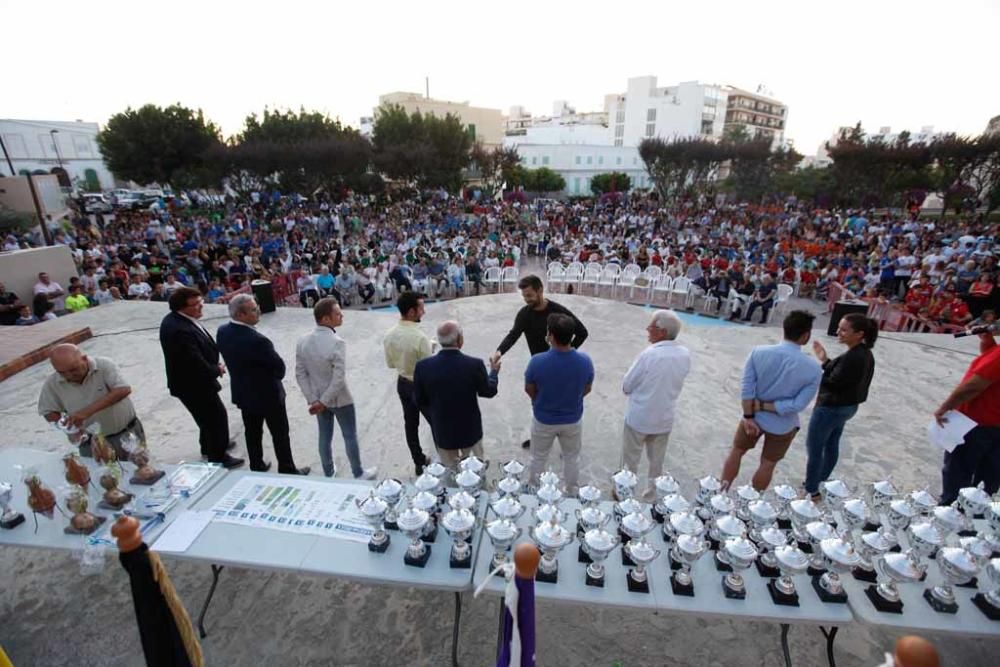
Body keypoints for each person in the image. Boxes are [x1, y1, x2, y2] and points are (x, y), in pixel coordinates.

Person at [720, 310, 822, 491]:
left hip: (753, 417)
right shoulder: (813, 368)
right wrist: (767, 407)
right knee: (767, 465)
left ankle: (721, 493)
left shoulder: (758, 352)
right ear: (806, 336)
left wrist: (750, 415)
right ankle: (753, 504)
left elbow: (747, 389)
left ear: (784, 328)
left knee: (736, 452)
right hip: (783, 424)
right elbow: (798, 405)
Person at [783, 314, 877, 500]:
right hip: (847, 407)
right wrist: (825, 360)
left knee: (816, 448)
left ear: (859, 334)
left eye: (843, 330)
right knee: (831, 444)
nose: (838, 332)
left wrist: (813, 371)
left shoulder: (853, 357)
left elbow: (834, 381)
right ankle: (819, 480)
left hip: (831, 407)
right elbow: (842, 376)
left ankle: (811, 489)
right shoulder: (863, 353)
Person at [216, 294, 309, 475]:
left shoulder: (223, 331)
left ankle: (256, 464)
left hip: (244, 393)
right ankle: (287, 467)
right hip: (268, 396)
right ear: (241, 315)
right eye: (253, 309)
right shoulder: (258, 341)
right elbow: (279, 368)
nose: (258, 310)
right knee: (280, 434)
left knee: (252, 432)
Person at [493, 274, 588, 448]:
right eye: (524, 296)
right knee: (538, 402)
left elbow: (582, 332)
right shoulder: (524, 314)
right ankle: (541, 435)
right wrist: (500, 351)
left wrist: (567, 352)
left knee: (564, 401)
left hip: (561, 367)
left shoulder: (558, 311)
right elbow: (513, 335)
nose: (526, 299)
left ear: (540, 290)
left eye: (529, 295)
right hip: (540, 368)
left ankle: (566, 438)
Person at [159, 287, 244, 468]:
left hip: (194, 382)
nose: (200, 307)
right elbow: (193, 362)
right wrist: (216, 369)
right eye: (195, 304)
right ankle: (218, 455)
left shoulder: (184, 320)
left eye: (200, 302)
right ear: (181, 307)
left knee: (205, 419)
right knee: (215, 417)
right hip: (194, 384)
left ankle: (210, 445)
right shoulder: (179, 330)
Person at [295, 298, 377, 479]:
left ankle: (329, 472)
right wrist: (324, 401)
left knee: (324, 436)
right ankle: (358, 472)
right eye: (337, 313)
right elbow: (338, 378)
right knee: (349, 435)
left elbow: (300, 373)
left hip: (317, 399)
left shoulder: (303, 341)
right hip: (339, 399)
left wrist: (314, 400)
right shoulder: (337, 342)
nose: (342, 316)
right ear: (325, 319)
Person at [620, 310, 691, 501]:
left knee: (630, 460)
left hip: (640, 416)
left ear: (661, 332)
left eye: (651, 327)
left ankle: (625, 494)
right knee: (656, 461)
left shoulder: (649, 355)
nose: (648, 330)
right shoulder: (684, 354)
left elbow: (627, 385)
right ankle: (652, 495)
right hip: (664, 417)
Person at [413, 321, 500, 475]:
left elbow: (419, 400)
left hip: (443, 432)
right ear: (460, 340)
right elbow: (488, 391)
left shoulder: (423, 367)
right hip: (470, 431)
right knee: (475, 472)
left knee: (450, 474)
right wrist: (493, 372)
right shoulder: (474, 365)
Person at [524, 313, 595, 494]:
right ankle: (571, 490)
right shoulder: (585, 361)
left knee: (538, 458)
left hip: (544, 419)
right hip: (572, 419)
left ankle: (534, 489)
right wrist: (572, 399)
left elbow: (529, 388)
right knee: (572, 457)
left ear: (551, 336)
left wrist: (538, 401)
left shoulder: (537, 361)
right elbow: (587, 388)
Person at [37, 343, 145, 459]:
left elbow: (123, 389)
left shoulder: (103, 365)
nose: (69, 376)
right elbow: (47, 411)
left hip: (127, 434)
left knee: (142, 469)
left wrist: (85, 412)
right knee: (103, 474)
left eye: (73, 369)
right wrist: (67, 427)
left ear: (84, 359)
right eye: (62, 372)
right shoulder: (53, 383)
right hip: (91, 443)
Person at [933, 322, 1000, 505]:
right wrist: (988, 342)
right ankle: (975, 513)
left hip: (976, 424)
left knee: (958, 470)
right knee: (989, 474)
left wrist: (945, 406)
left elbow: (973, 386)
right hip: (994, 424)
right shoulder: (996, 354)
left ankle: (949, 511)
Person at [383, 291, 433, 475]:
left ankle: (419, 462)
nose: (424, 311)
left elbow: (390, 364)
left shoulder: (389, 335)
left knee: (411, 425)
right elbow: (428, 368)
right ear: (412, 312)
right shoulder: (420, 338)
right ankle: (444, 460)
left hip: (402, 383)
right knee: (436, 422)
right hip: (421, 385)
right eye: (421, 308)